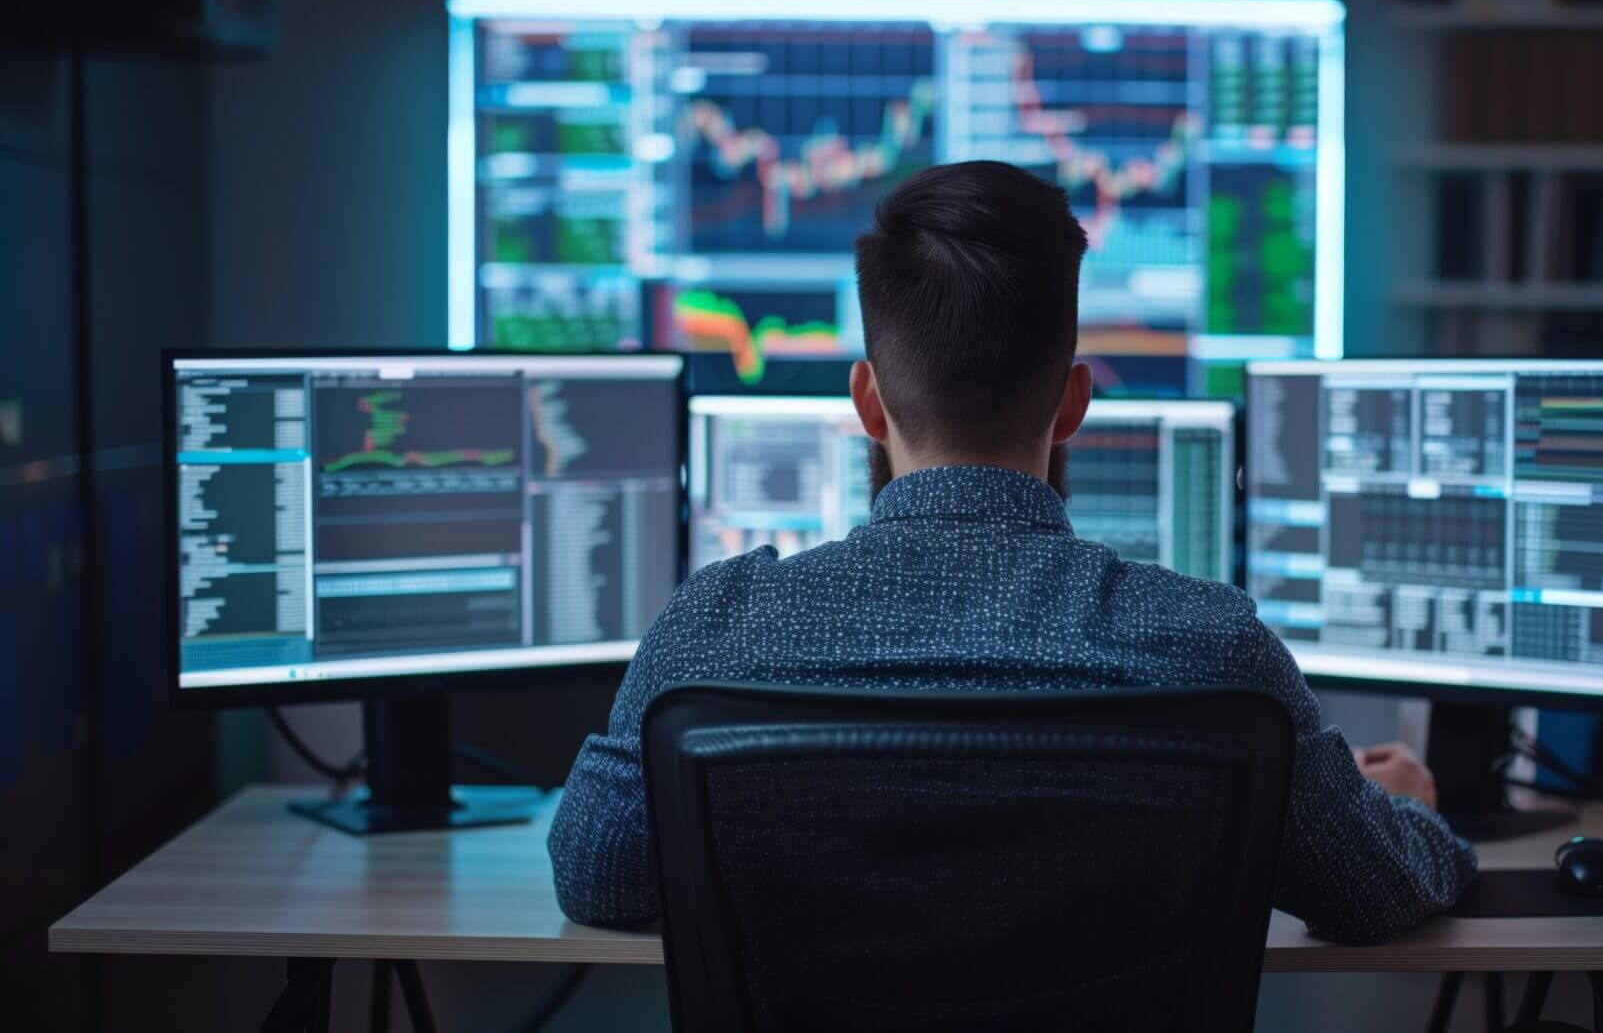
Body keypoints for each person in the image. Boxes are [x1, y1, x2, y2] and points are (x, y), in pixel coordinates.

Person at [548, 160, 1476, 944]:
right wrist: (1413, 816)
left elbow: (596, 877)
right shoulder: (1211, 652)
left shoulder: (713, 635)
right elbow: (1376, 893)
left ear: (868, 403)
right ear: (1074, 403)